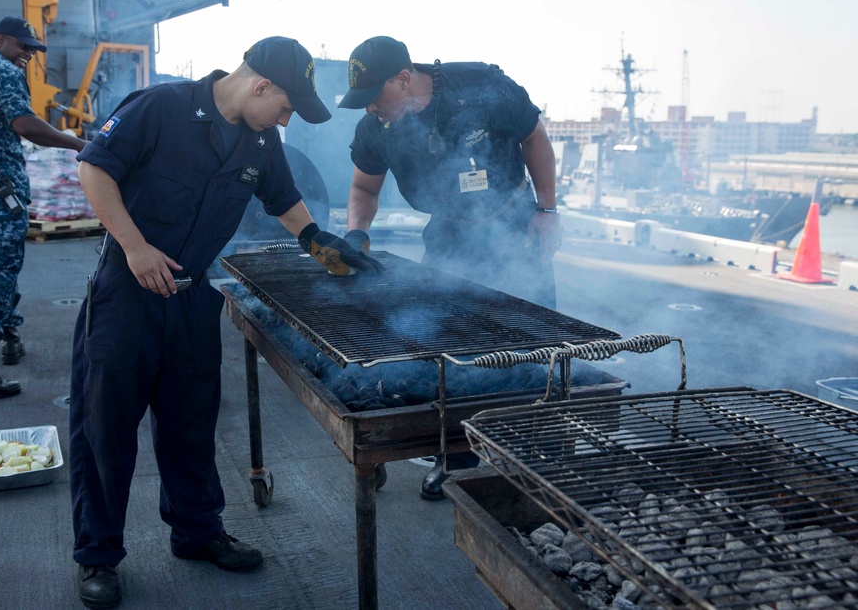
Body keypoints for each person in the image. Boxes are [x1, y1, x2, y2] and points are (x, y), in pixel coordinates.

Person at [69, 36, 380, 609]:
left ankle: (197, 533)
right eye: (286, 106)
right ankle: (97, 557)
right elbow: (95, 170)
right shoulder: (160, 107)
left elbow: (282, 199)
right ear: (261, 85)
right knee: (105, 429)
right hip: (128, 292)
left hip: (192, 295)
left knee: (191, 421)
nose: (286, 119)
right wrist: (135, 246)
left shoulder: (262, 139)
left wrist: (319, 243)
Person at [337, 36, 561, 500]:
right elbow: (363, 190)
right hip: (449, 234)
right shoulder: (375, 127)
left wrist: (547, 210)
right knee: (452, 351)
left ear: (403, 79)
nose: (373, 110)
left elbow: (534, 137)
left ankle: (543, 457)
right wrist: (356, 234)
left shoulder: (483, 86)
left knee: (537, 340)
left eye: (376, 98)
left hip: (515, 224)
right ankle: (457, 459)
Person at [0, 16, 87, 398]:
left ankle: (10, 336)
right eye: (22, 46)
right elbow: (25, 125)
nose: (27, 54)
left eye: (32, 49)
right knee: (1, 272)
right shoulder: (2, 72)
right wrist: (77, 144)